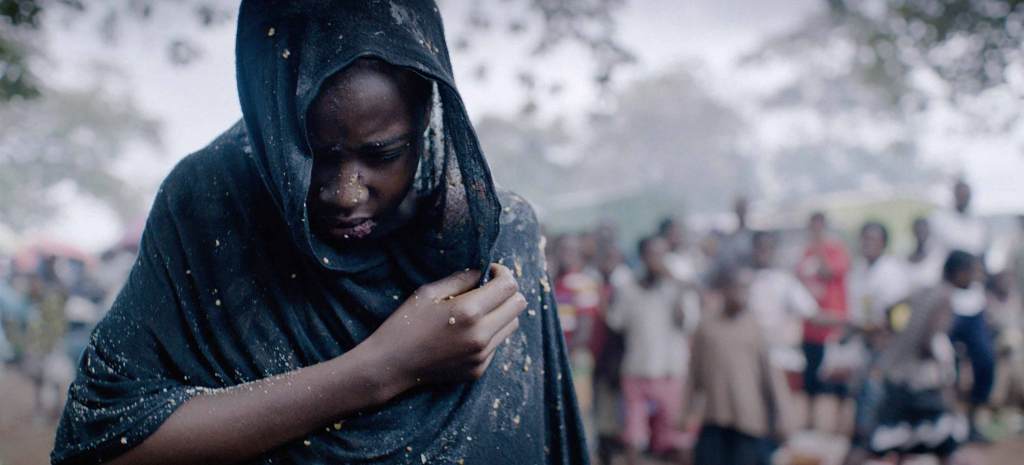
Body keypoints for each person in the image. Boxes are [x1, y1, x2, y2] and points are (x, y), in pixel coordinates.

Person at [51, 3, 588, 464]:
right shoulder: (212, 207)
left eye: (383, 154)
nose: (345, 193)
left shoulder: (496, 238)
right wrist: (382, 368)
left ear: (426, 112)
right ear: (269, 125)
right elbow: (103, 442)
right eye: (309, 157)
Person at [690, 265, 791, 465]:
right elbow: (694, 373)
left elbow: (772, 378)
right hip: (715, 416)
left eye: (746, 289)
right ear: (724, 289)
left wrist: (782, 417)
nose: (741, 294)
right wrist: (686, 412)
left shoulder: (755, 328)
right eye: (736, 287)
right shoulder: (706, 327)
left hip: (748, 419)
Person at [606, 236, 692, 465]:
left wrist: (677, 289)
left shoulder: (678, 287)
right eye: (652, 254)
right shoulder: (628, 289)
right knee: (634, 436)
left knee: (676, 437)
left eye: (661, 254)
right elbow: (616, 324)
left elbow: (686, 323)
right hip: (637, 370)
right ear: (643, 257)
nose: (657, 260)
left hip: (670, 371)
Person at [860, 285, 967, 464]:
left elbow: (891, 309)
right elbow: (928, 343)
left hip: (902, 385)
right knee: (942, 443)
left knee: (890, 444)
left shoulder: (924, 291)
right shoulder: (942, 298)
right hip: (916, 391)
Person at [795, 212, 851, 431]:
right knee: (810, 376)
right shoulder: (805, 252)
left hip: (833, 326)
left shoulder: (836, 250)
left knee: (838, 378)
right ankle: (810, 421)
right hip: (811, 327)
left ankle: (838, 424)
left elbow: (829, 271)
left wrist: (819, 249)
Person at [945, 250, 997, 441]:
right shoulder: (943, 295)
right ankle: (949, 425)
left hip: (973, 315)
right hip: (951, 321)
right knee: (948, 371)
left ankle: (972, 421)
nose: (975, 277)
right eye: (971, 272)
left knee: (986, 361)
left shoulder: (975, 297)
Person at [930, 180, 989, 263]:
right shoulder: (939, 218)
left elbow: (981, 249)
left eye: (966, 195)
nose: (964, 199)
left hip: (970, 269)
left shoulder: (979, 223)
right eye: (961, 195)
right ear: (954, 195)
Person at [907, 216, 946, 291]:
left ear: (929, 231)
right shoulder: (904, 257)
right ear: (913, 231)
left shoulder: (938, 257)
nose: (921, 233)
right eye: (918, 229)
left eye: (923, 229)